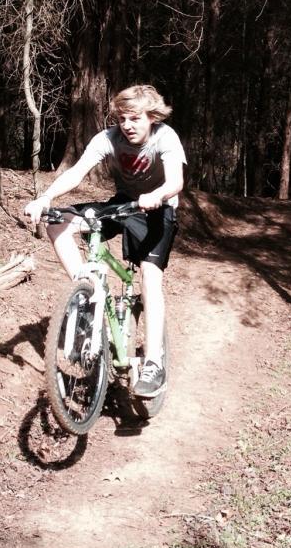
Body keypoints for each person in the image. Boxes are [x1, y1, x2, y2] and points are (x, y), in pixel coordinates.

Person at [24, 84, 186, 399]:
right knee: (59, 224)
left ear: (151, 116)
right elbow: (76, 172)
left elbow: (176, 180)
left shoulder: (165, 137)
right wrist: (45, 197)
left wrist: (158, 194)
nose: (128, 125)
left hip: (159, 209)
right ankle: (85, 297)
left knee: (150, 277)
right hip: (124, 204)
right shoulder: (108, 138)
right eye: (123, 118)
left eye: (135, 118)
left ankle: (153, 363)